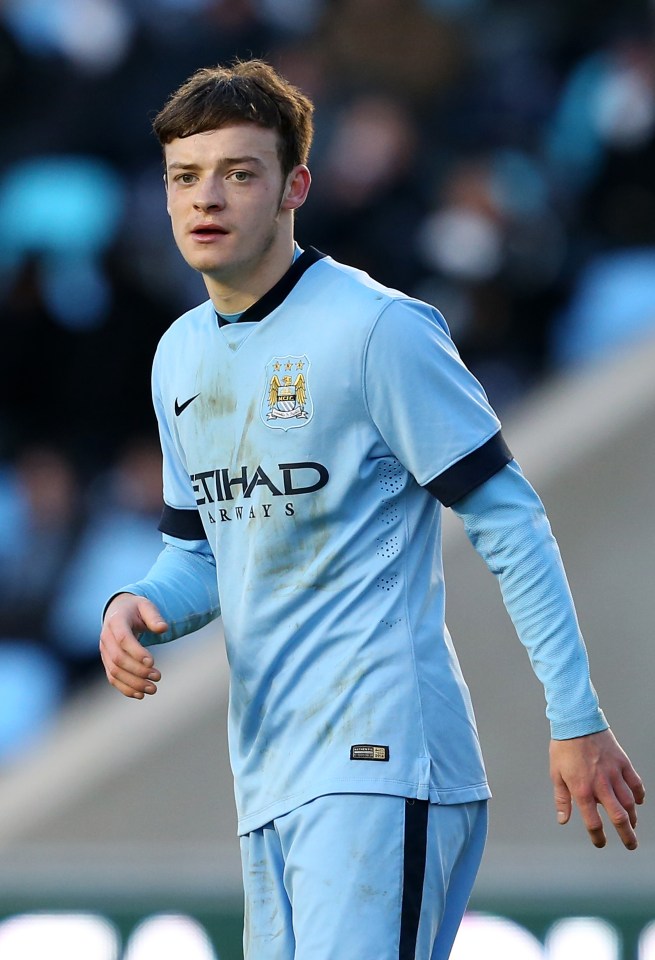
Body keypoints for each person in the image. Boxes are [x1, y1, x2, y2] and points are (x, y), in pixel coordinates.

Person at [99, 59, 645, 960]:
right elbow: (199, 554)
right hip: (269, 771)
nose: (208, 198)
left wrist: (575, 717)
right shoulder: (179, 358)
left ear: (293, 188)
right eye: (185, 177)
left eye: (239, 173)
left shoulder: (376, 329)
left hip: (378, 756)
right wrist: (134, 608)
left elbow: (508, 519)